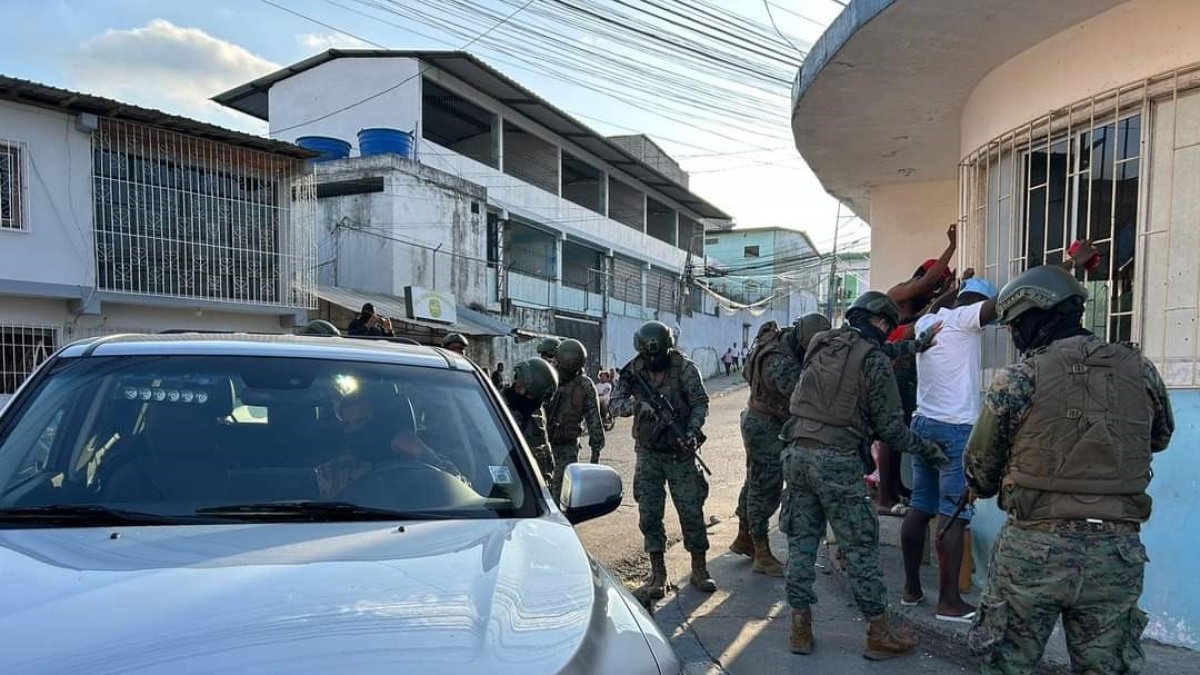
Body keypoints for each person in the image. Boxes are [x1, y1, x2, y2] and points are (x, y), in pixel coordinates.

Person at [965, 265, 1173, 674]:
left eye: (1015, 325)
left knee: (1006, 664)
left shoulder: (1019, 378)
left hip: (1033, 552)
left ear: (1034, 317)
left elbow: (980, 469)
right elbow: (1159, 437)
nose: (1014, 335)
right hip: (1116, 554)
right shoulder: (1140, 369)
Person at [780, 291, 950, 660]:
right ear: (883, 323)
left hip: (796, 452)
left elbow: (869, 356)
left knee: (801, 544)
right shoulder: (873, 359)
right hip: (836, 462)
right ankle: (878, 633)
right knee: (859, 548)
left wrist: (915, 345)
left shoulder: (823, 343)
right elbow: (892, 431)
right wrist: (930, 450)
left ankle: (799, 628)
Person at [899, 275, 999, 623]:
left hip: (922, 424)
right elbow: (1008, 301)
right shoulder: (966, 318)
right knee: (953, 514)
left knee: (919, 506)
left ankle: (912, 589)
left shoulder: (929, 320)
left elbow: (933, 308)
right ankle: (949, 602)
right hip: (955, 430)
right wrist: (1061, 267)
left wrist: (954, 289)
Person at [611, 320, 714, 598]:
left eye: (658, 355)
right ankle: (658, 574)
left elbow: (700, 403)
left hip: (680, 453)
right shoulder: (632, 371)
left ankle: (699, 568)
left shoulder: (685, 369)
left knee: (692, 510)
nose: (653, 360)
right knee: (650, 514)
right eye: (648, 356)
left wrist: (691, 430)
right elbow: (614, 404)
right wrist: (638, 406)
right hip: (648, 454)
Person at [730, 313, 831, 578]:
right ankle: (761, 553)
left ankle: (744, 537)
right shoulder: (781, 361)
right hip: (765, 426)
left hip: (763, 420)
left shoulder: (785, 340)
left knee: (754, 482)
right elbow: (802, 397)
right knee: (766, 488)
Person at [544, 339, 605, 501]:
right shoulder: (549, 378)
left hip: (564, 447)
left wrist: (595, 457)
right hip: (547, 445)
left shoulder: (583, 385)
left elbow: (594, 423)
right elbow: (595, 424)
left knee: (559, 495)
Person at [501, 357, 558, 481]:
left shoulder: (536, 412)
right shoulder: (498, 405)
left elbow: (543, 452)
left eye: (519, 380)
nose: (515, 383)